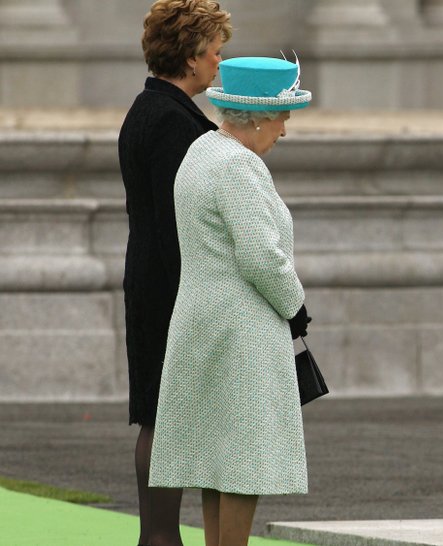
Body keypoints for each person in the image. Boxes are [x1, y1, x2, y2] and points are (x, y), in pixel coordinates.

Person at [148, 56, 314, 546]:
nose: (284, 130)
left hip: (202, 322)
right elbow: (262, 258)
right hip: (240, 333)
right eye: (283, 117)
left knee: (217, 462)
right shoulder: (239, 166)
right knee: (242, 466)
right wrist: (296, 305)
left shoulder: (202, 150)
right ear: (259, 115)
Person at [117, 2, 232, 545]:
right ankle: (160, 537)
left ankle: (159, 536)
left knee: (159, 414)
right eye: (214, 51)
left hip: (153, 279)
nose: (218, 62)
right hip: (169, 287)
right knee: (164, 415)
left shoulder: (152, 109)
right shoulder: (170, 120)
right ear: (190, 56)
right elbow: (176, 224)